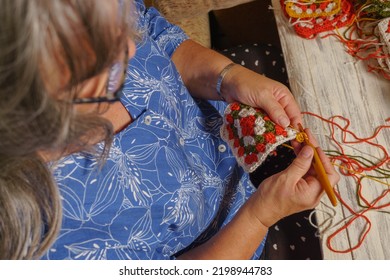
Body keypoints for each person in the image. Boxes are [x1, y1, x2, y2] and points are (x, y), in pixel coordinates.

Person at [0, 0, 340, 260]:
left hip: (237, 133)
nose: (131, 50)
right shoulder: (40, 234)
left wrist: (228, 78)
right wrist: (258, 217)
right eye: (101, 59)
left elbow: (154, 33)